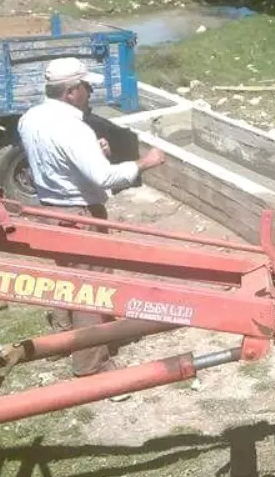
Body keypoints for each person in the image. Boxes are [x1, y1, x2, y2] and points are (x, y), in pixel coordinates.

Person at [17, 57, 166, 380]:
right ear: (71, 92)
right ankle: (91, 363)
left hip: (49, 208)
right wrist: (144, 163)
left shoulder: (31, 118)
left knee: (65, 273)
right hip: (78, 212)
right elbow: (103, 178)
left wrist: (92, 152)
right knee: (90, 286)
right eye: (86, 87)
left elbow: (55, 159)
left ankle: (61, 336)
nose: (90, 92)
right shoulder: (74, 128)